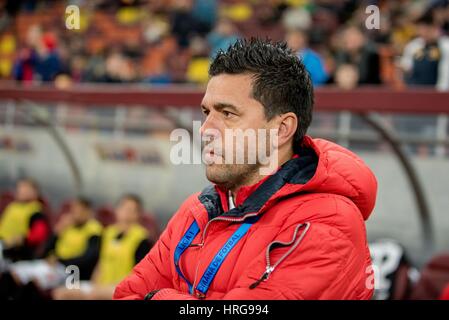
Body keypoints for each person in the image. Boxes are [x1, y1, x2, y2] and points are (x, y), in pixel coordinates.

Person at [114, 39, 378, 300]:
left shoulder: (328, 223)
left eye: (227, 113)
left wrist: (156, 297)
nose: (205, 129)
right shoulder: (195, 211)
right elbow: (126, 294)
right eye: (206, 112)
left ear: (281, 129)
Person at [52, 194, 152, 300]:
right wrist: (93, 283)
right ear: (117, 210)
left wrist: (102, 289)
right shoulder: (108, 232)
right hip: (101, 285)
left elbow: (139, 275)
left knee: (93, 295)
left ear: (138, 215)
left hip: (122, 287)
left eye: (132, 210)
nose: (126, 212)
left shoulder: (142, 239)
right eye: (123, 208)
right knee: (60, 293)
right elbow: (100, 263)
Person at [0, 197, 102, 299]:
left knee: (33, 282)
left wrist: (60, 260)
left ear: (88, 212)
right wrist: (57, 232)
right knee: (13, 271)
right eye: (73, 210)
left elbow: (88, 257)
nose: (75, 214)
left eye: (79, 211)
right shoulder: (68, 226)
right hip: (50, 263)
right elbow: (46, 249)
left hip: (69, 269)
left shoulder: (93, 229)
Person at [0, 178, 50, 261]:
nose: (20, 191)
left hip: (15, 252)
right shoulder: (12, 206)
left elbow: (40, 234)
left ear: (35, 193)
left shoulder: (35, 211)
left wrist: (22, 239)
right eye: (19, 188)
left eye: (25, 189)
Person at [400, 12, 449, 91]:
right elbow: (406, 67)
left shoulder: (445, 45)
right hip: (416, 91)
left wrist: (440, 93)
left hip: (438, 92)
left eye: (427, 29)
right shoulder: (413, 46)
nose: (424, 33)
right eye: (421, 29)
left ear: (435, 28)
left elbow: (446, 74)